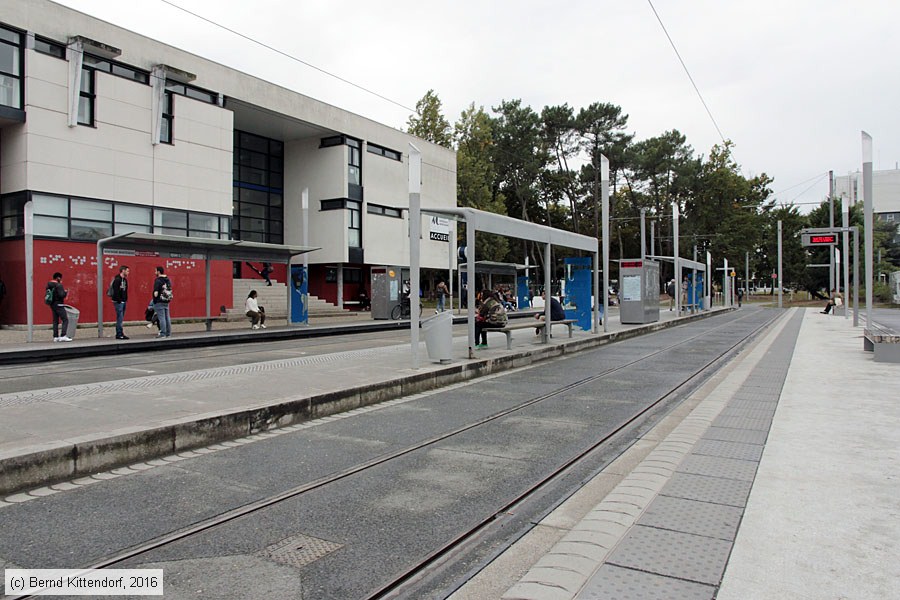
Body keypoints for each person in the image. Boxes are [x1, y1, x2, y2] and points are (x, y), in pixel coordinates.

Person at [46, 272, 71, 342]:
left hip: (52, 304)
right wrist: (65, 292)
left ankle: (55, 336)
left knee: (55, 321)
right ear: (58, 278)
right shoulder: (59, 285)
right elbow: (61, 295)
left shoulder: (48, 285)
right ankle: (63, 335)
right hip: (59, 304)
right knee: (65, 319)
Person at [152, 266, 173, 338]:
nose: (155, 272)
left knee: (161, 318)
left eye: (155, 271)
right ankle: (168, 333)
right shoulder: (168, 280)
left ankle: (163, 333)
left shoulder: (158, 280)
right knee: (167, 317)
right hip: (166, 300)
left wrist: (154, 298)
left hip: (159, 301)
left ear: (158, 272)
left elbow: (156, 293)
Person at [110, 265, 130, 339]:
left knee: (121, 317)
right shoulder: (117, 280)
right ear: (123, 270)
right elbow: (116, 291)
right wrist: (119, 300)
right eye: (127, 271)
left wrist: (125, 299)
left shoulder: (124, 280)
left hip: (123, 301)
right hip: (118, 301)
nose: (128, 273)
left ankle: (120, 333)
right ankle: (119, 333)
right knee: (120, 318)